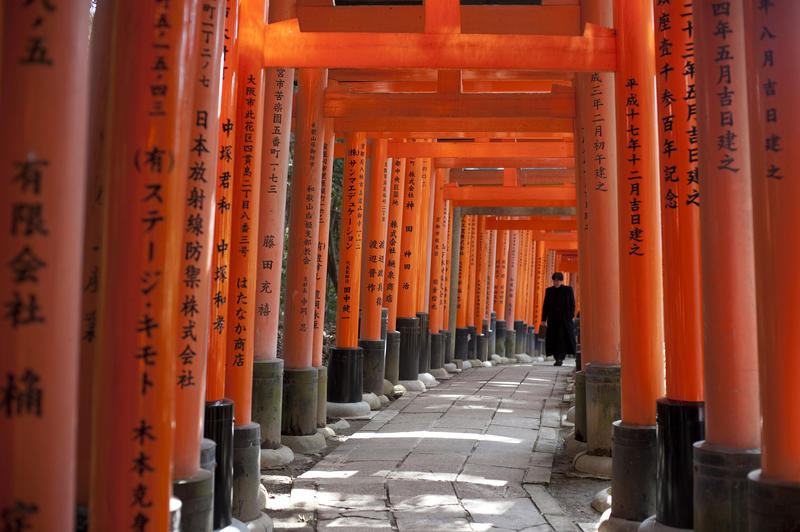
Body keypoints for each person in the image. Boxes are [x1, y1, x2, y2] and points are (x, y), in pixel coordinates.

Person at [540, 271, 576, 366]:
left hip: (564, 319)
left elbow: (572, 304)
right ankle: (557, 357)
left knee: (562, 339)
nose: (556, 282)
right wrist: (544, 319)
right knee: (554, 338)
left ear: (561, 281)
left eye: (558, 280)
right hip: (553, 319)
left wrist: (570, 316)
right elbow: (545, 306)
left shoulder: (568, 290)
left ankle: (560, 358)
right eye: (554, 280)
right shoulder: (549, 291)